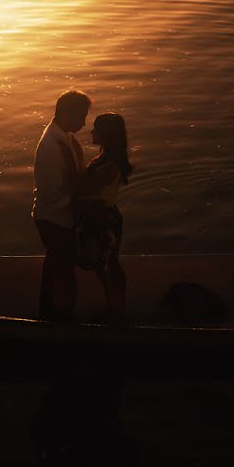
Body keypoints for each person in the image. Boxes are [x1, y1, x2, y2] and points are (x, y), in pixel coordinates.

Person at [32, 90, 92, 321]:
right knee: (63, 274)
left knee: (55, 270)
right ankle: (58, 320)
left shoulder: (65, 138)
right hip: (53, 220)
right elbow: (51, 197)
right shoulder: (50, 148)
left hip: (62, 219)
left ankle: (48, 315)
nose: (84, 123)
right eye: (81, 117)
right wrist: (82, 202)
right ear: (66, 114)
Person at [75, 112, 133, 324]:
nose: (92, 131)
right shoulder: (104, 159)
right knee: (104, 267)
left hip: (103, 221)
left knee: (108, 268)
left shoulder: (109, 167)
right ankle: (114, 310)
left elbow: (82, 189)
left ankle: (116, 313)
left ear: (106, 135)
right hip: (98, 218)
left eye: (96, 129)